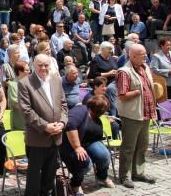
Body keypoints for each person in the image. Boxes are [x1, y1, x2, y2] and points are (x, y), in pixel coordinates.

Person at [18, 54, 68, 196]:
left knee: (50, 173)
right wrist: (45, 126)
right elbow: (26, 111)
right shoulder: (25, 83)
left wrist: (62, 123)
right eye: (40, 65)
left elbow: (63, 105)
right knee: (34, 176)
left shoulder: (56, 81)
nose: (44, 68)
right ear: (33, 65)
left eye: (46, 65)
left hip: (56, 135)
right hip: (37, 137)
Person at [116, 44, 157, 188]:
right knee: (128, 147)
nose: (146, 56)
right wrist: (137, 92)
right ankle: (125, 176)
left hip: (146, 114)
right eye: (143, 54)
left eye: (146, 54)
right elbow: (122, 95)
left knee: (142, 145)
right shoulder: (124, 72)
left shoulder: (145, 68)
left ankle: (139, 172)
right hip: (132, 115)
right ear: (133, 56)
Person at [60, 95, 115, 195]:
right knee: (85, 163)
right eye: (104, 110)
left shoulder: (95, 116)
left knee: (105, 155)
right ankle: (76, 183)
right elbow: (70, 124)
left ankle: (102, 176)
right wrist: (77, 147)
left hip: (90, 143)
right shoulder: (81, 109)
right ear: (99, 108)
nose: (105, 112)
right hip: (71, 145)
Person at [7, 61, 30, 131]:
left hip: (31, 123)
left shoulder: (31, 84)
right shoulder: (13, 85)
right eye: (27, 70)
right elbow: (16, 104)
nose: (29, 72)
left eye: (30, 70)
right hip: (20, 124)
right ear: (20, 72)